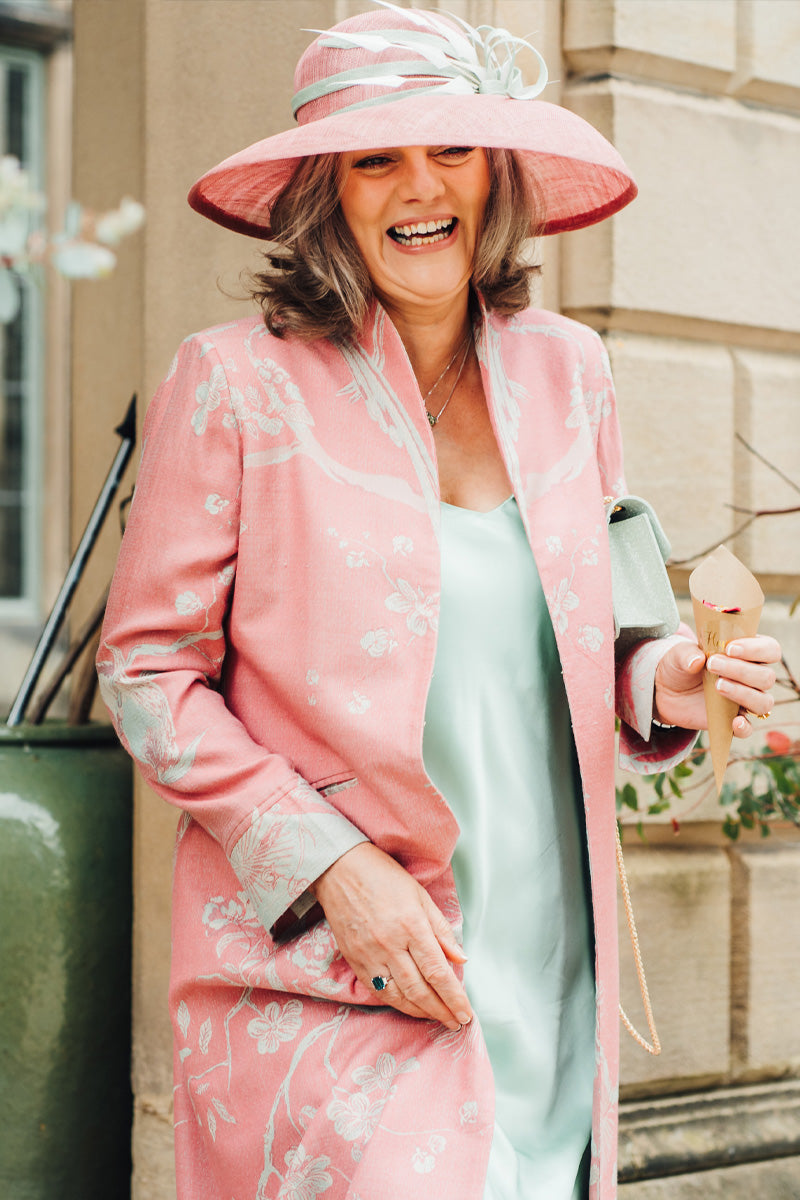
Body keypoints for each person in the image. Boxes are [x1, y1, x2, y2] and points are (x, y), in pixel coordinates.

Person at [98, 7, 781, 1200]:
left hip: (545, 946)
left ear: (495, 172)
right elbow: (147, 676)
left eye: (450, 151)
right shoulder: (234, 381)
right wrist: (329, 867)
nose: (419, 188)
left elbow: (605, 628)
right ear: (327, 190)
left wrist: (665, 679)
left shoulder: (569, 370)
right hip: (324, 961)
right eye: (375, 158)